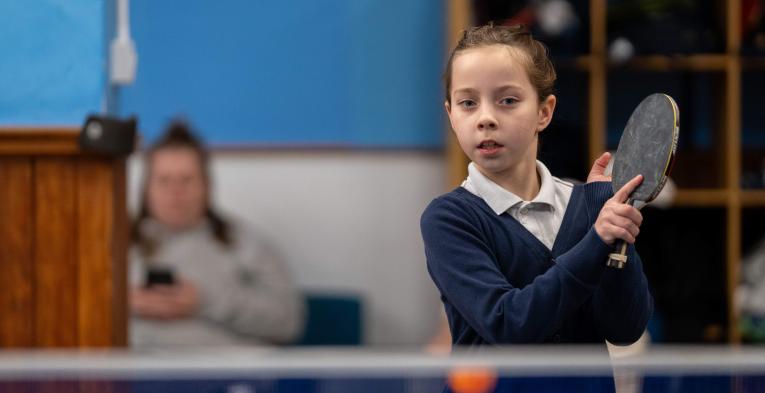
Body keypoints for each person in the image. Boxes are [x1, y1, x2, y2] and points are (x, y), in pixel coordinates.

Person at [420, 24, 653, 348]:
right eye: (468, 103)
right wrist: (596, 241)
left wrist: (614, 234)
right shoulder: (448, 219)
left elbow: (625, 328)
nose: (485, 117)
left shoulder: (588, 207)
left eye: (508, 100)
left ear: (544, 112)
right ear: (451, 114)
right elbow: (508, 324)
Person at [129, 121, 304, 347]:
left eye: (186, 180)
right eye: (164, 180)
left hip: (230, 378)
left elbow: (289, 321)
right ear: (146, 189)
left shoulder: (245, 243)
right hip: (136, 377)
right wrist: (122, 304)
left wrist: (206, 301)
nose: (175, 192)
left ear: (207, 185)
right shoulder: (115, 246)